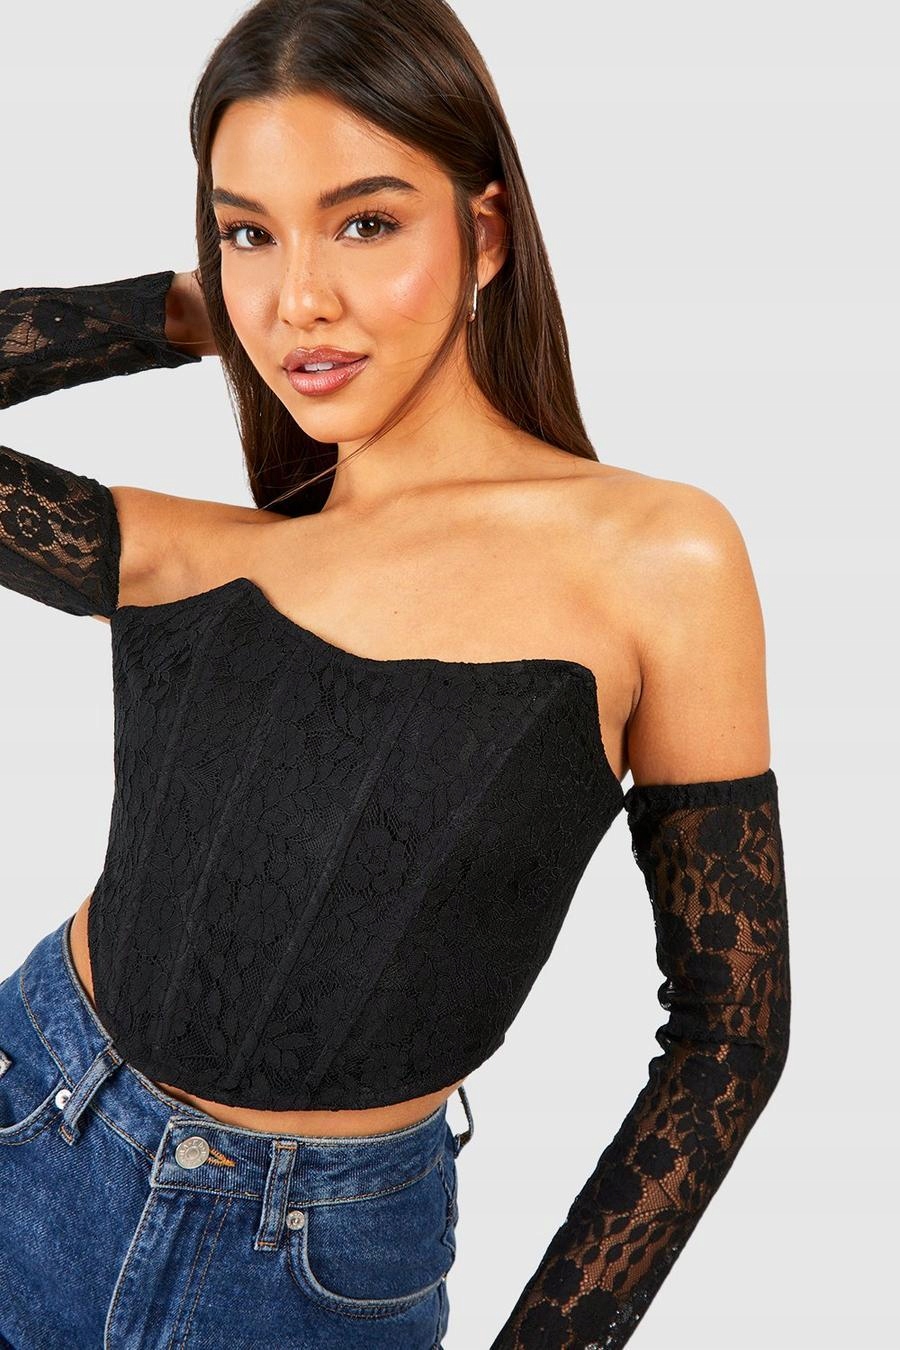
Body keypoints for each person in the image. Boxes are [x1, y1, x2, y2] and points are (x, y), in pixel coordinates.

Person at [0, 1, 791, 1346]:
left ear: (485, 236)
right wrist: (190, 309)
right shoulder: (198, 556)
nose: (301, 297)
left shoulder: (660, 554)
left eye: (364, 223)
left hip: (318, 1269)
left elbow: (731, 1033)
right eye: (250, 230)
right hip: (38, 1115)